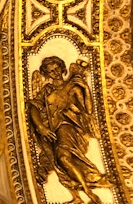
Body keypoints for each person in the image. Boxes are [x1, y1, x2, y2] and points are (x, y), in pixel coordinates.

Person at [28, 57, 107, 204]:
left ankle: (89, 192)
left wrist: (86, 89)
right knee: (58, 163)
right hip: (52, 131)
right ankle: (77, 197)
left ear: (63, 68)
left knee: (63, 158)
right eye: (51, 71)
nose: (55, 72)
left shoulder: (74, 87)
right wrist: (41, 127)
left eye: (57, 68)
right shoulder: (46, 91)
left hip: (68, 127)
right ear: (46, 74)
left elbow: (88, 111)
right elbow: (33, 107)